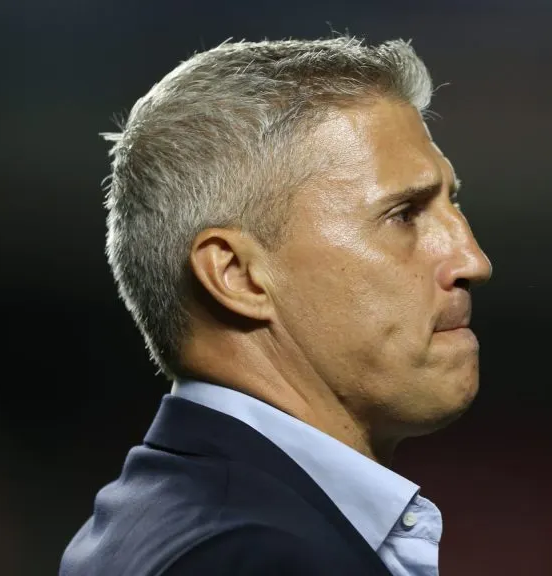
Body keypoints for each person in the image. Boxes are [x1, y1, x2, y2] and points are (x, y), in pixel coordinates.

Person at [59, 35, 492, 576]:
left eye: (453, 204)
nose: (473, 260)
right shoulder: (249, 557)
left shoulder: (158, 523)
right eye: (404, 215)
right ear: (237, 276)